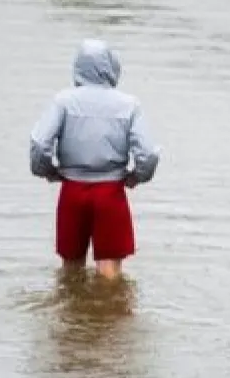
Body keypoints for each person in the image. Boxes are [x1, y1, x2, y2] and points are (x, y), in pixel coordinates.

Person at [29, 39, 161, 280]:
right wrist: (136, 176)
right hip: (111, 192)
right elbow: (149, 153)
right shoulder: (129, 105)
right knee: (109, 271)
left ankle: (71, 315)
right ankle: (109, 314)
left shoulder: (63, 101)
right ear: (112, 67)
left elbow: (39, 143)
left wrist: (49, 171)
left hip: (72, 191)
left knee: (70, 267)